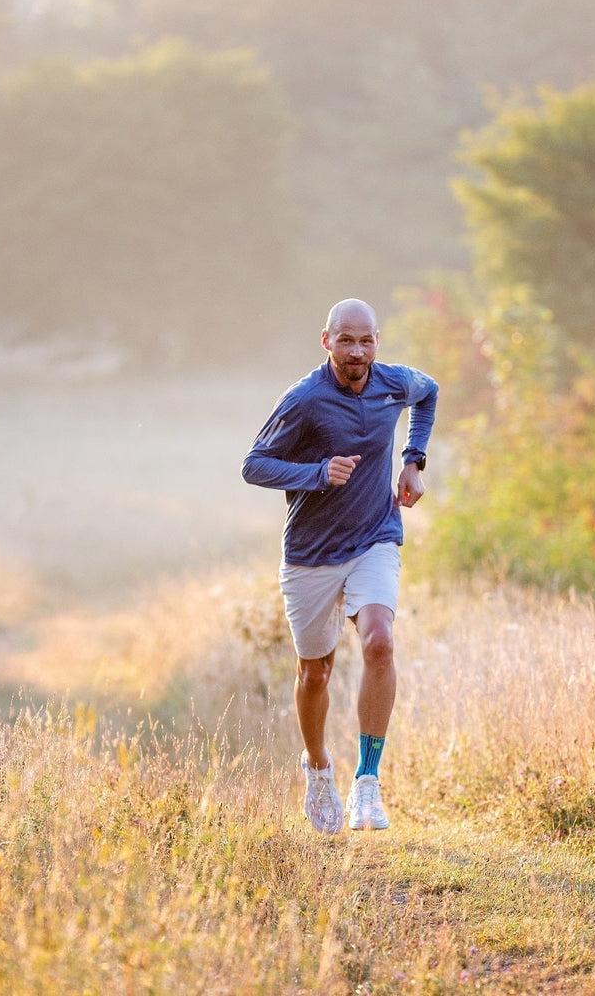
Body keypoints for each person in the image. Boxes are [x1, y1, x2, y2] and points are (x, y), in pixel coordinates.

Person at [242, 298, 439, 834]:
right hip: (310, 553)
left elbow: (429, 393)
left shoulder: (394, 382)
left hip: (376, 536)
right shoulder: (305, 400)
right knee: (315, 672)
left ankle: (367, 785)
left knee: (380, 642)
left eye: (367, 340)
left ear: (378, 341)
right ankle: (318, 768)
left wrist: (413, 461)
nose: (358, 351)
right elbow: (253, 465)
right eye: (346, 340)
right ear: (326, 341)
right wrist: (317, 471)